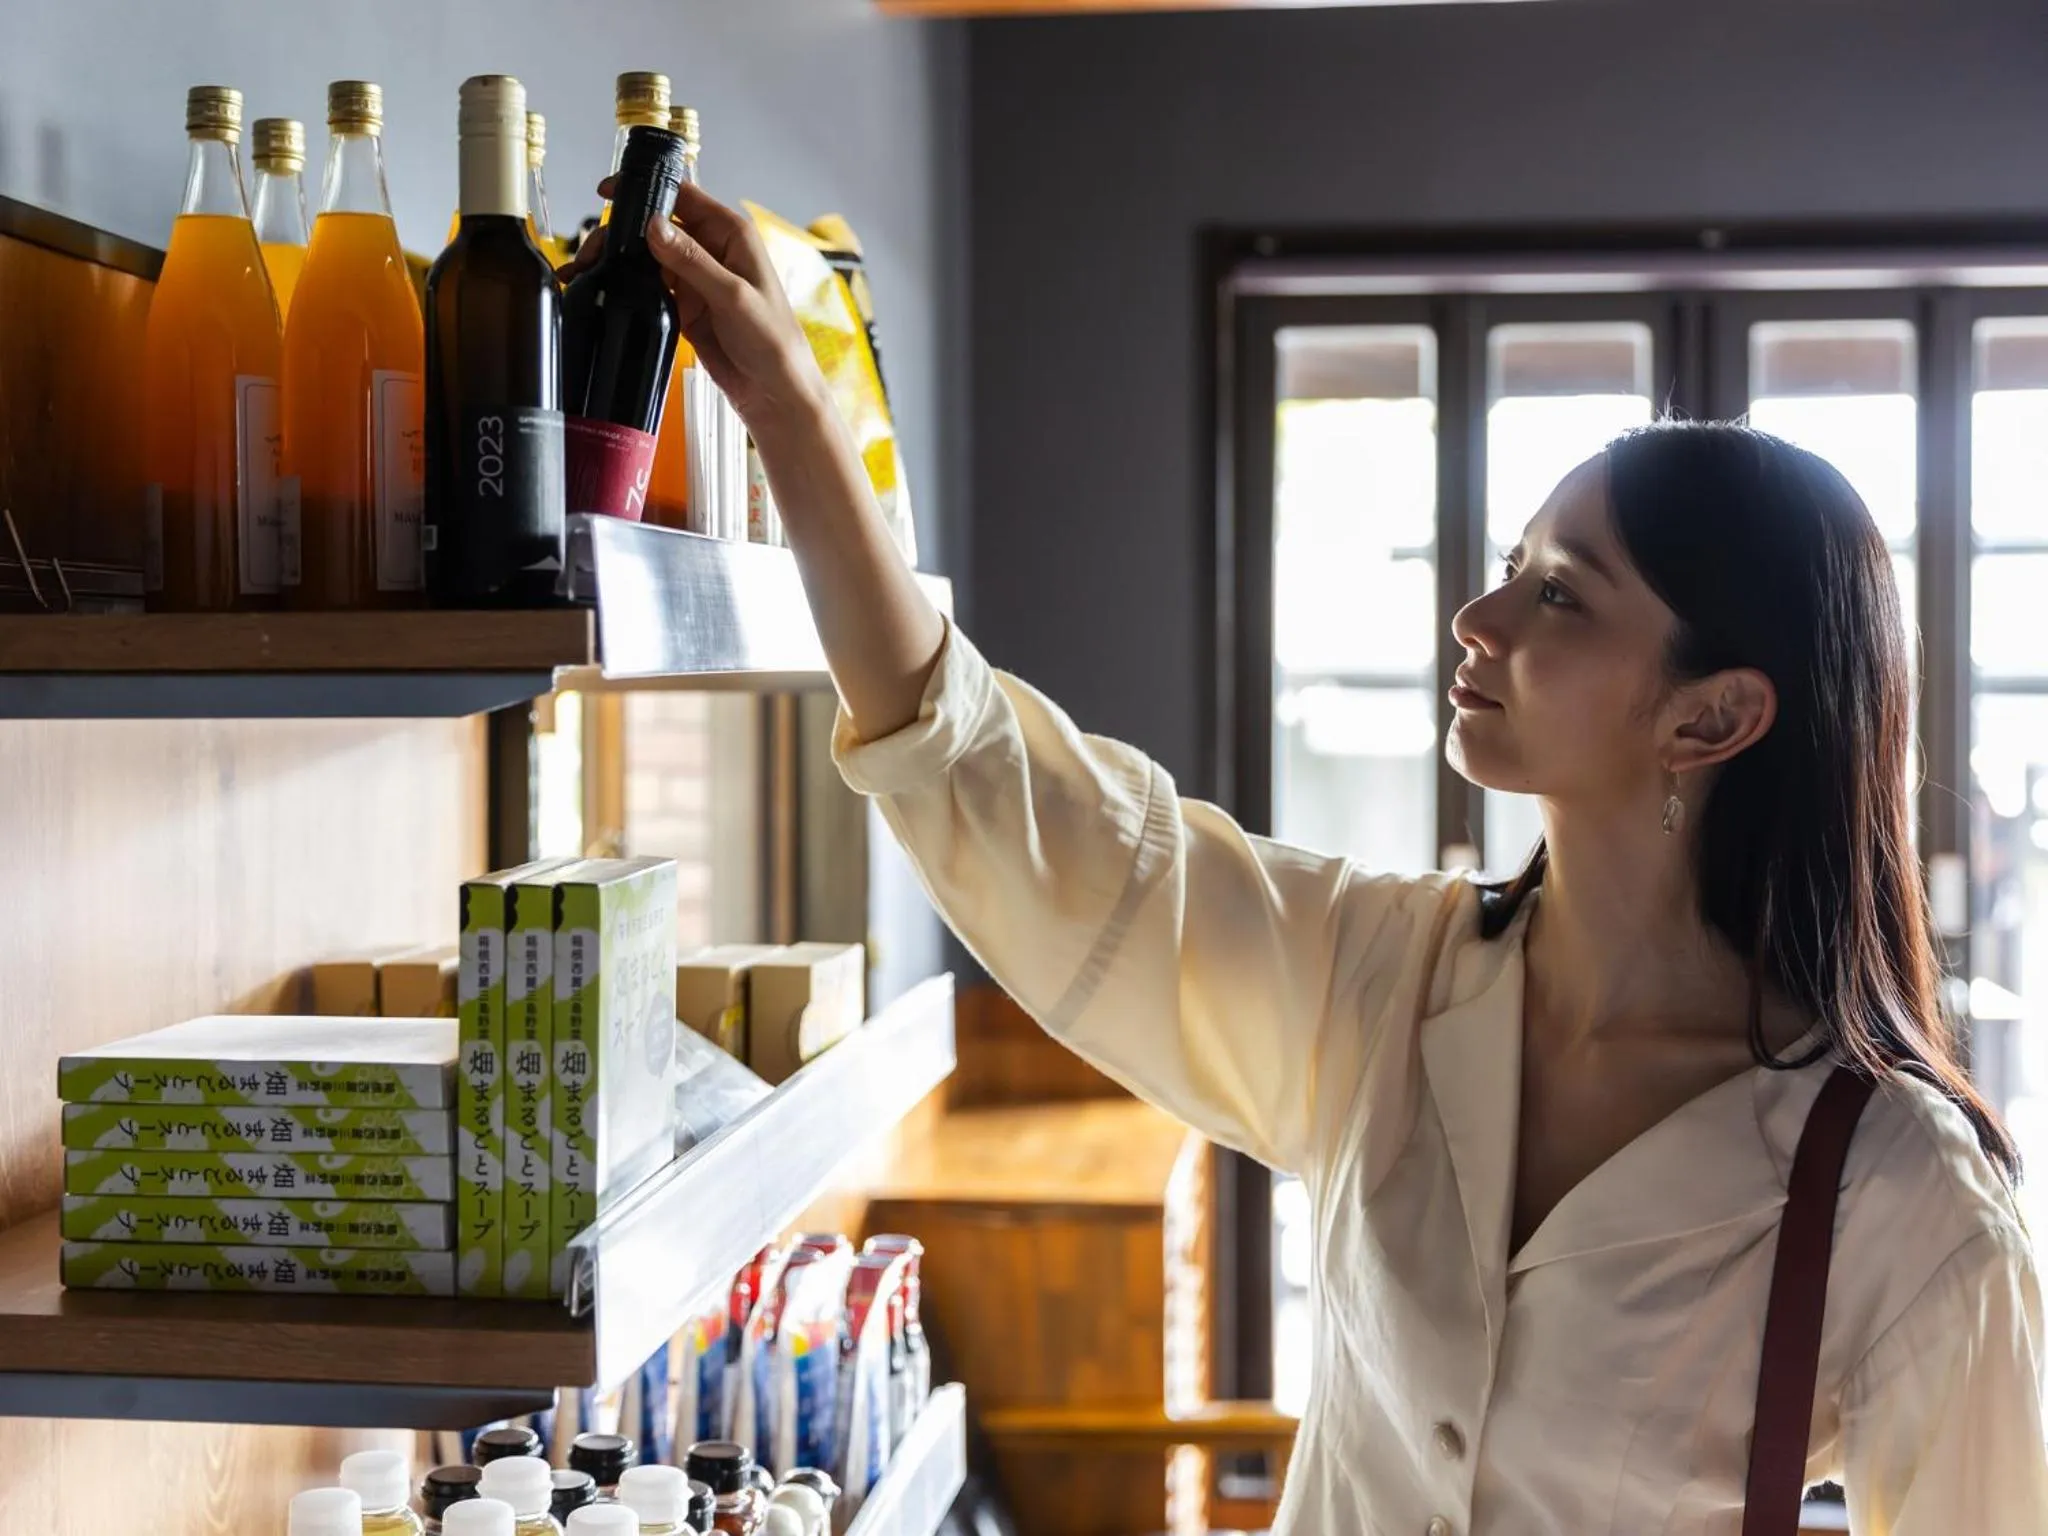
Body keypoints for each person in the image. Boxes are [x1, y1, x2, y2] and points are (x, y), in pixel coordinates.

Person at [569, 186, 2048, 1532]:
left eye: (1559, 596)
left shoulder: (1906, 1194)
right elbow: (1017, 800)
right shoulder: (1386, 980)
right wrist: (800, 421)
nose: (1479, 620)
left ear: (1713, 717)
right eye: (1505, 568)